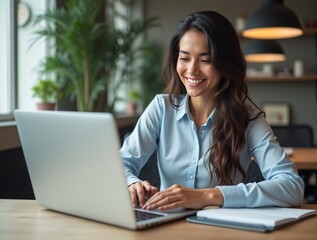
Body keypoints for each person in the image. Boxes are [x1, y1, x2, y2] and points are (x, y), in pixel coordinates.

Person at [120, 11, 304, 211]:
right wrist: (131, 183)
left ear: (225, 63)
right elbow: (122, 162)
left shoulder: (248, 119)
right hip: (163, 224)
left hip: (221, 228)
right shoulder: (161, 108)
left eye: (205, 60)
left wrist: (209, 196)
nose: (191, 70)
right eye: (185, 58)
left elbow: (292, 186)